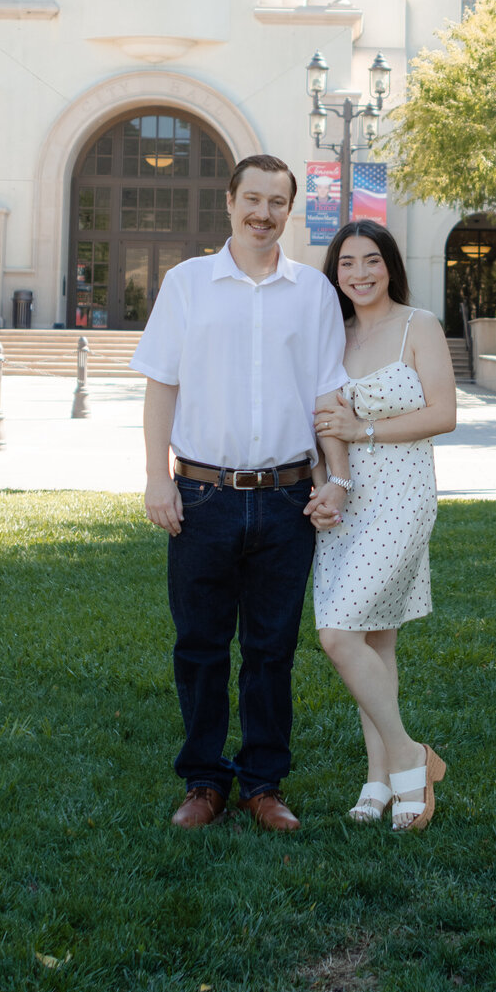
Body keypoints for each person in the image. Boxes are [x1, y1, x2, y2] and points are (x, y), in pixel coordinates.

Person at [134, 153, 353, 833]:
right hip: (201, 495)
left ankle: (262, 783)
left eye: (276, 202)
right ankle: (205, 781)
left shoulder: (312, 293)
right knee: (198, 646)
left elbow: (326, 395)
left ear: (290, 209)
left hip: (287, 499)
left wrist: (336, 478)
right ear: (229, 201)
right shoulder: (188, 283)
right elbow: (160, 383)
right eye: (251, 199)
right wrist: (154, 476)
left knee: (270, 649)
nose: (263, 213)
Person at [311, 220, 457, 831]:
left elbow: (443, 413)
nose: (360, 274)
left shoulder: (418, 326)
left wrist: (362, 430)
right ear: (335, 273)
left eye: (371, 261)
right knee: (374, 641)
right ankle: (383, 784)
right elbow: (322, 420)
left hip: (402, 496)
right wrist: (329, 485)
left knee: (338, 635)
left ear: (390, 265)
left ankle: (409, 755)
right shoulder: (330, 336)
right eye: (347, 263)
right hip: (346, 502)